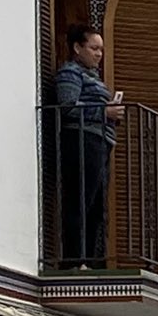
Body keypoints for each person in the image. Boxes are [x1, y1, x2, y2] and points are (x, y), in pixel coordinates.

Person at [52, 24, 125, 266]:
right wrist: (105, 112)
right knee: (81, 200)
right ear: (77, 48)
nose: (99, 54)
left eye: (101, 50)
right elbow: (68, 106)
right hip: (82, 141)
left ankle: (92, 260)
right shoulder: (70, 73)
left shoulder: (94, 78)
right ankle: (75, 259)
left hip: (99, 142)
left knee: (95, 206)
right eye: (94, 48)